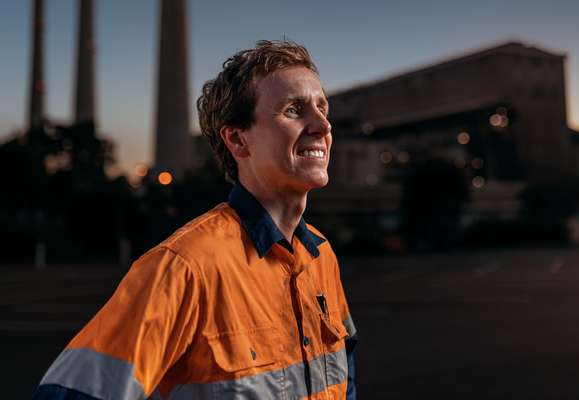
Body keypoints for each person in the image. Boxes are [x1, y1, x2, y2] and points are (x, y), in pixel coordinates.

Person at [33, 40, 357, 400]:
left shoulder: (321, 255)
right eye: (295, 109)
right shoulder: (185, 267)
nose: (323, 125)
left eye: (322, 107)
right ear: (237, 140)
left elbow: (344, 378)